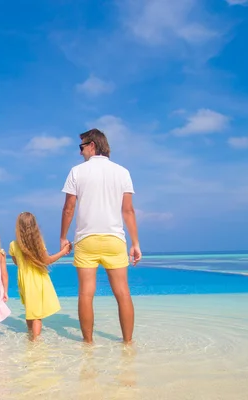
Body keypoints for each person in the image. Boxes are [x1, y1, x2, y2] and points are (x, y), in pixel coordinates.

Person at [60, 128, 142, 344]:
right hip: (114, 239)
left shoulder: (77, 172)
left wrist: (63, 237)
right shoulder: (122, 172)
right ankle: (128, 343)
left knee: (86, 294)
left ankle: (88, 344)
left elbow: (69, 208)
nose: (80, 153)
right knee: (123, 293)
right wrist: (135, 243)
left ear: (93, 145)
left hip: (87, 239)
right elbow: (128, 211)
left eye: (82, 147)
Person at [9, 212, 71, 340]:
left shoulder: (13, 245)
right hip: (37, 281)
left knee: (29, 310)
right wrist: (63, 252)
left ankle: (30, 336)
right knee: (37, 315)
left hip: (24, 281)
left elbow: (16, 263)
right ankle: (35, 342)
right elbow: (47, 261)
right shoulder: (38, 243)